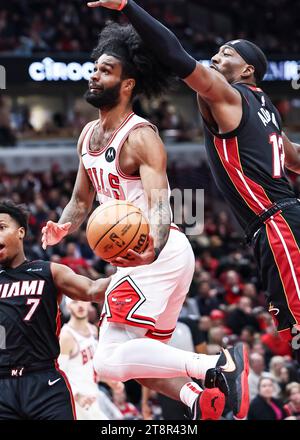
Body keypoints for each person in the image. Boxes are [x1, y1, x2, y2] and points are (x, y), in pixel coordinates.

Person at [41, 23, 249, 420]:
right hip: (145, 257)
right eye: (94, 68)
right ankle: (199, 399)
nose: (94, 74)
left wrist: (149, 247)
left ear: (127, 84)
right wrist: (63, 225)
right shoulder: (87, 135)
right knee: (142, 360)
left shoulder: (140, 136)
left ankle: (218, 366)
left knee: (106, 362)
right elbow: (80, 200)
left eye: (105, 70)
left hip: (155, 250)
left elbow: (159, 203)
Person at [93, 0, 300, 347]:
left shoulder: (230, 96)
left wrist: (128, 7)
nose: (216, 58)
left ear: (247, 70)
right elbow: (294, 158)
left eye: (226, 53)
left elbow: (176, 55)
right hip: (283, 219)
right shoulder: (269, 114)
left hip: (277, 224)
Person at [0, 201, 111, 420]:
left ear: (20, 232)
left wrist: (138, 273)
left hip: (44, 382)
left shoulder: (48, 271)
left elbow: (92, 289)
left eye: (1, 227)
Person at [59, 297, 123, 420]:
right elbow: (60, 375)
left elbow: (90, 368)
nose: (80, 305)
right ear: (68, 306)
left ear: (89, 302)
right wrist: (77, 396)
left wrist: (109, 380)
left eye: (82, 300)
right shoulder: (66, 336)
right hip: (76, 402)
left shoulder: (93, 330)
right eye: (74, 302)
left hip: (93, 397)